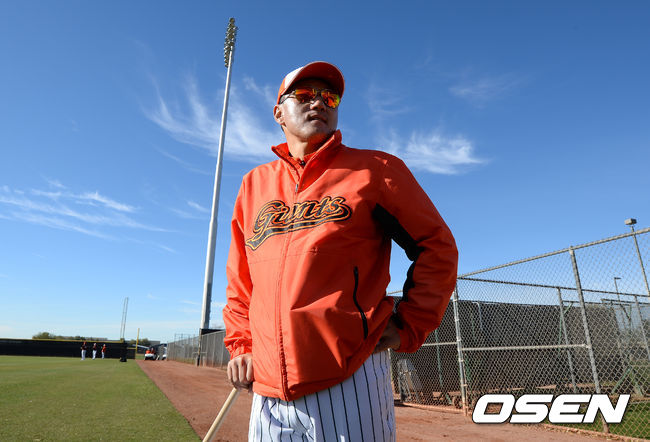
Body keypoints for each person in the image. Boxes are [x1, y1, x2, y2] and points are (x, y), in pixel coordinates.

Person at [223, 61, 458, 441]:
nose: (318, 102)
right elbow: (241, 281)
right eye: (304, 95)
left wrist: (410, 322)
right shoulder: (254, 185)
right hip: (266, 384)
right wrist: (242, 344)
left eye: (329, 97)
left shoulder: (374, 169)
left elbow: (437, 246)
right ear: (278, 113)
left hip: (349, 374)